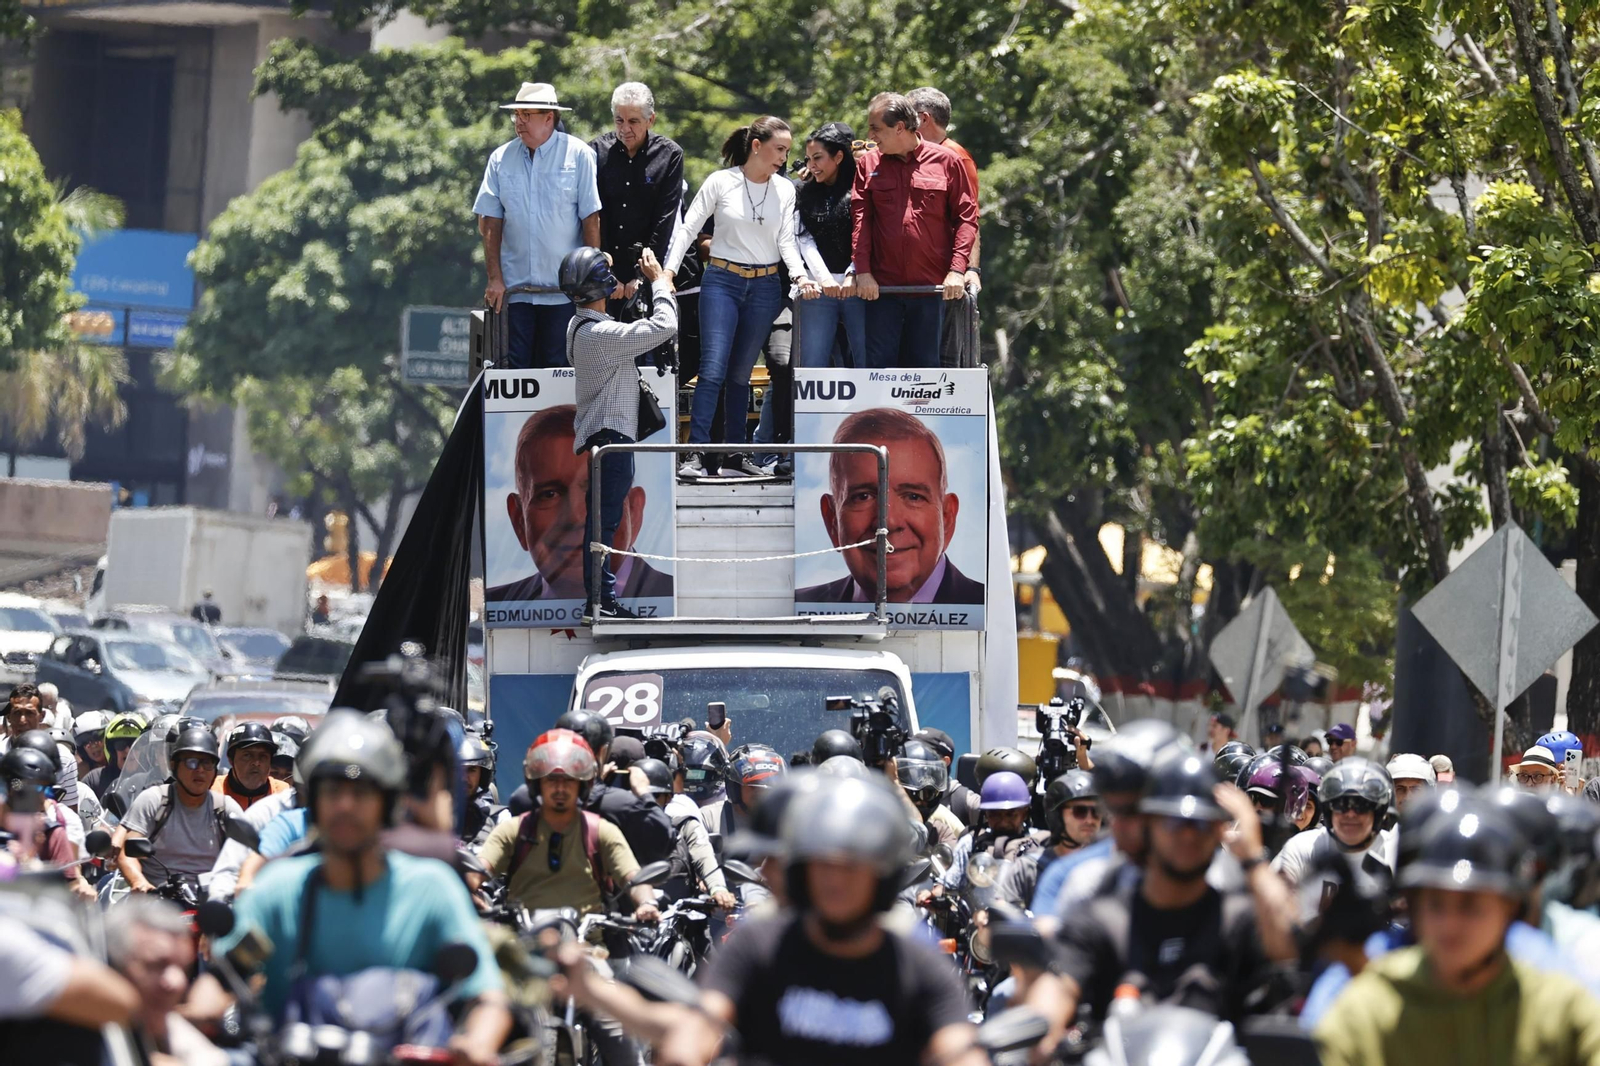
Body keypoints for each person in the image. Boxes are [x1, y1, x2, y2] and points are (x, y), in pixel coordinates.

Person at [554, 773, 983, 1066]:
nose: (836, 883)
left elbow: (957, 1048)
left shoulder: (917, 963)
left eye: (852, 868)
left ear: (883, 877)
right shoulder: (759, 947)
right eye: (823, 867)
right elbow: (703, 1024)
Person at [206, 712, 511, 1065]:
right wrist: (184, 1012)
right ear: (314, 802)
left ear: (387, 804)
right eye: (333, 791)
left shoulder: (431, 889)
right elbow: (225, 976)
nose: (345, 806)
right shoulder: (278, 891)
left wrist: (476, 1043)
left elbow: (488, 997)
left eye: (361, 792)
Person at [1018, 752, 1298, 1039]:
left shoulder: (1237, 920)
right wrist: (1039, 1030)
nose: (1189, 836)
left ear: (1219, 831)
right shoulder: (1103, 920)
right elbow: (1057, 991)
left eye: (1202, 824)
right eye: (1174, 822)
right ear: (1148, 827)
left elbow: (1288, 950)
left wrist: (1252, 858)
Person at [1315, 798, 1600, 1066]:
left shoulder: (1561, 1008)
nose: (1450, 924)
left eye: (1470, 906)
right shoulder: (1367, 1008)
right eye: (1436, 905)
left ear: (1510, 908)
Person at [664, 116, 820, 478]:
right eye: (779, 149)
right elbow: (689, 228)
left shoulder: (785, 190)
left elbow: (785, 241)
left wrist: (798, 275)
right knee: (713, 369)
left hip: (765, 286)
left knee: (740, 374)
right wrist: (669, 272)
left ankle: (734, 454)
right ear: (756, 146)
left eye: (786, 150)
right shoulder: (722, 181)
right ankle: (697, 454)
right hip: (721, 281)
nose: (784, 157)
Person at [560, 244, 680, 620]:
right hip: (612, 439)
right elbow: (666, 326)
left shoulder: (579, 326)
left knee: (604, 520)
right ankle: (601, 602)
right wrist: (660, 283)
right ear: (600, 285)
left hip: (604, 437)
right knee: (605, 522)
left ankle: (601, 600)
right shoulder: (602, 336)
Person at [486, 403, 674, 605]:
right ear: (518, 521)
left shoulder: (678, 597)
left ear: (635, 511)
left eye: (597, 487)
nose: (576, 516)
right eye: (549, 494)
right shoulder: (496, 602)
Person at [475, 81, 602, 369]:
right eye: (516, 115)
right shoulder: (500, 158)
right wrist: (494, 278)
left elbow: (590, 218)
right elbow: (490, 221)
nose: (518, 122)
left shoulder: (579, 155)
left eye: (526, 115)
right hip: (516, 292)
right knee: (514, 374)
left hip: (564, 295)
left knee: (558, 373)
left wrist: (592, 283)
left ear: (549, 118)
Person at [796, 406, 982, 604]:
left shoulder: (990, 609)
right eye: (863, 496)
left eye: (913, 497)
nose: (889, 523)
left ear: (947, 517)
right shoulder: (803, 606)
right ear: (832, 520)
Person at [477, 729, 660, 921]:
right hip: (522, 944)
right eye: (552, 779)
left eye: (569, 780)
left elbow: (633, 877)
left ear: (583, 784)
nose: (560, 788)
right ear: (537, 783)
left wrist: (647, 903)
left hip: (587, 945)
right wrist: (467, 890)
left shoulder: (602, 832)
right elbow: (478, 870)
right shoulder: (513, 831)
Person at [851, 92, 977, 368]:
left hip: (931, 291)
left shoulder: (948, 161)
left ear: (899, 127)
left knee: (925, 374)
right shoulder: (868, 164)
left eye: (876, 128)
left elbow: (966, 219)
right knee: (879, 373)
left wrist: (957, 271)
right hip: (882, 291)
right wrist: (863, 272)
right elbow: (861, 221)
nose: (870, 135)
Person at [113, 724, 244, 890]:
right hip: (159, 902)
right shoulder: (154, 800)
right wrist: (139, 882)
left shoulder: (225, 809)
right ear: (174, 766)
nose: (200, 770)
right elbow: (126, 852)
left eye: (207, 763)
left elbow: (248, 856)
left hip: (212, 903)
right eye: (192, 762)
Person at [590, 82, 684, 308]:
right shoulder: (594, 151)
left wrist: (640, 277)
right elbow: (591, 216)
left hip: (647, 269)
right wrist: (605, 273)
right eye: (619, 120)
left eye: (633, 121)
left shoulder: (670, 155)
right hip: (603, 272)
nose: (624, 129)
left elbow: (665, 220)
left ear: (650, 120)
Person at [1272, 757, 1395, 922]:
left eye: (1361, 805)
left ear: (1378, 812)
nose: (1350, 814)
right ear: (1328, 810)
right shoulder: (1302, 846)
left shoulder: (1397, 851)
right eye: (1341, 804)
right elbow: (1270, 907)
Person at [107, 896, 226, 1066]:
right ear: (114, 964)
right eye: (156, 966)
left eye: (184, 968)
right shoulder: (81, 1040)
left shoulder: (188, 1042)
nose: (176, 982)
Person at [554, 709, 674, 864]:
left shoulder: (526, 798)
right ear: (603, 752)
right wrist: (644, 793)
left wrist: (597, 781)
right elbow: (665, 841)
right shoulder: (620, 804)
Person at [793, 121, 868, 368]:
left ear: (838, 156)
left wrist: (853, 273)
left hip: (858, 288)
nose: (811, 165)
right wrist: (823, 278)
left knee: (866, 362)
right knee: (811, 364)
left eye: (818, 158)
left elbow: (866, 233)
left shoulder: (862, 188)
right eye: (808, 159)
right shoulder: (803, 191)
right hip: (818, 289)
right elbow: (804, 238)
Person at [635, 756, 737, 908]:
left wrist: (718, 888)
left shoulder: (683, 823)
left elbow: (703, 855)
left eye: (654, 795)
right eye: (639, 794)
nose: (646, 800)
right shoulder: (619, 825)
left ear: (668, 797)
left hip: (677, 916)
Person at [996, 768, 1101, 908]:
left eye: (1097, 811)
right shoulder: (1029, 869)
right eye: (1080, 811)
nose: (1090, 820)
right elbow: (1003, 915)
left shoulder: (1111, 868)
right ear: (1057, 816)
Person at [214, 721, 290, 810]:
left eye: (263, 756)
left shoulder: (284, 795)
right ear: (231, 759)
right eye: (247, 755)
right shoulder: (213, 792)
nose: (256, 762)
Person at [84, 711, 146, 801]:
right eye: (121, 744)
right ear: (112, 750)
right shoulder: (94, 780)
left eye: (135, 744)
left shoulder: (153, 781)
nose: (128, 750)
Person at [73, 710, 107, 780]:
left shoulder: (122, 764)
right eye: (84, 741)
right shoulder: (78, 772)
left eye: (97, 738)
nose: (93, 745)